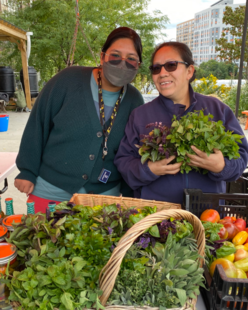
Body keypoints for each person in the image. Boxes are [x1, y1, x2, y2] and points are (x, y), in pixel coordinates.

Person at [14, 27, 144, 212]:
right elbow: (38, 123)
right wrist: (27, 170)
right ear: (102, 57)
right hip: (52, 190)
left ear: (138, 65)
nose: (123, 63)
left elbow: (132, 150)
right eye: (115, 55)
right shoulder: (67, 80)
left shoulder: (134, 100)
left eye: (131, 59)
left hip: (104, 197)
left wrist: (129, 193)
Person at [114, 42, 248, 205]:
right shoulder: (140, 115)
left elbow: (241, 156)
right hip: (156, 216)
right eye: (156, 68)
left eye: (171, 65)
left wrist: (222, 166)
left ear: (189, 71)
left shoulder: (218, 109)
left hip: (208, 216)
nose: (162, 73)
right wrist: (149, 169)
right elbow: (123, 162)